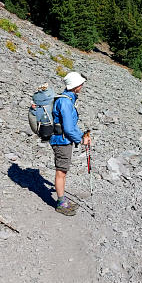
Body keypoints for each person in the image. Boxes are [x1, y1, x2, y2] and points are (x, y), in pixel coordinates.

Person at [49, 72, 91, 216]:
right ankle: (61, 203)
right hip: (61, 141)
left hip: (62, 139)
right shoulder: (66, 102)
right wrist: (80, 139)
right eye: (80, 84)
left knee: (63, 171)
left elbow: (70, 125)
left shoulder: (67, 99)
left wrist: (81, 135)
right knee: (61, 172)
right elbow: (67, 127)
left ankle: (62, 199)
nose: (82, 86)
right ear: (75, 86)